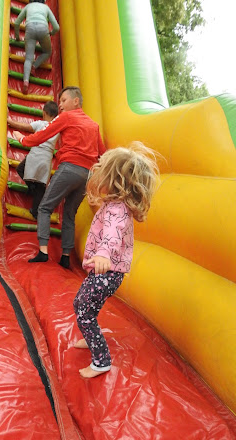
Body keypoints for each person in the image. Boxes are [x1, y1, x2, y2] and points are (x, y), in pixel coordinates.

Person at [73, 142, 159, 378]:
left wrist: (103, 254)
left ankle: (101, 361)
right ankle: (91, 337)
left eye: (103, 171)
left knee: (84, 311)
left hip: (107, 270)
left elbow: (112, 234)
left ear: (114, 179)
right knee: (82, 304)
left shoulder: (116, 211)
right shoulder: (114, 205)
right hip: (106, 271)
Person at [12, 86, 106, 269]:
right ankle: (65, 257)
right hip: (86, 175)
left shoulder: (67, 117)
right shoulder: (93, 125)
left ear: (76, 101)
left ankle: (43, 252)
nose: (60, 105)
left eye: (63, 100)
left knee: (45, 207)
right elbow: (102, 154)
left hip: (69, 168)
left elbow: (43, 135)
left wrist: (22, 139)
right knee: (69, 214)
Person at [7, 101, 59, 218]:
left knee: (21, 169)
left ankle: (32, 188)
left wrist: (10, 121)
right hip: (46, 159)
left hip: (35, 155)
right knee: (41, 185)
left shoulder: (40, 124)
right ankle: (35, 210)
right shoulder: (57, 129)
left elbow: (23, 126)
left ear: (44, 113)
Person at [14, 0, 60, 95]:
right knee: (47, 52)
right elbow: (56, 27)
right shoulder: (46, 8)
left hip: (30, 29)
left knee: (28, 58)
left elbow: (17, 22)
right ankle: (34, 66)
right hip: (43, 29)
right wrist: (51, 33)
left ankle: (26, 81)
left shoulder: (28, 7)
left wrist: (17, 37)